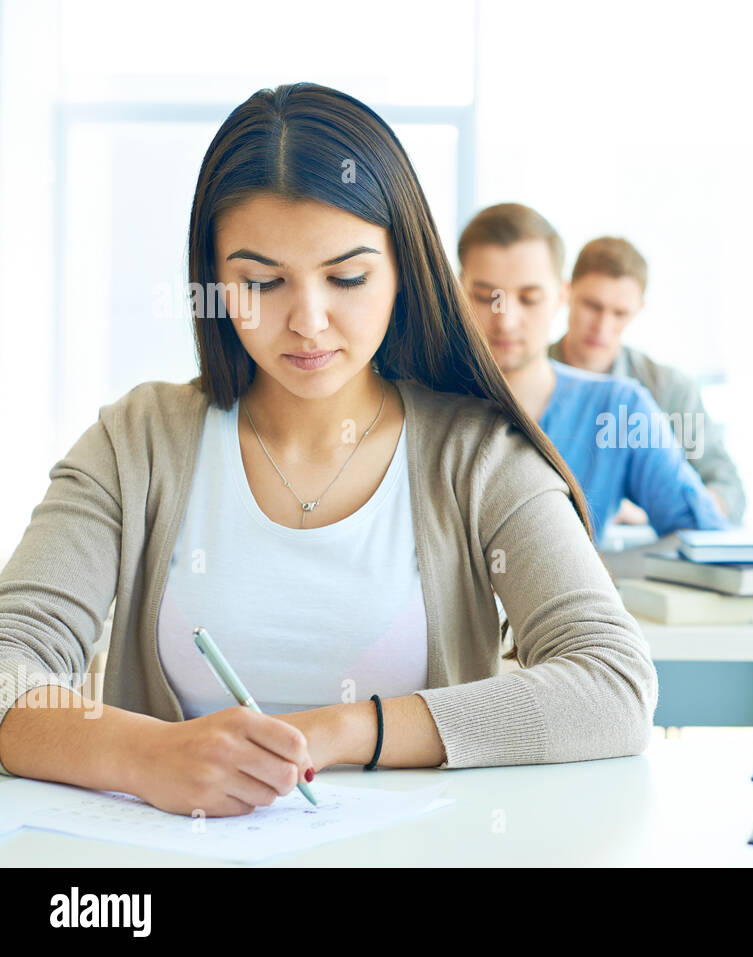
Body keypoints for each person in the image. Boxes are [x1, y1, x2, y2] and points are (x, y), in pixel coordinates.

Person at [0, 83, 656, 818]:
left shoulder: (478, 455)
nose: (308, 321)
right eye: (261, 281)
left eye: (347, 277)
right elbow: (5, 664)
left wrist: (341, 728)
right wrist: (148, 754)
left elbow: (614, 684)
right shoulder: (138, 441)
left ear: (405, 270)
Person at [456, 203, 729, 549]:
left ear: (560, 296)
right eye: (486, 297)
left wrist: (606, 579)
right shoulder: (417, 403)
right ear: (457, 291)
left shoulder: (622, 408)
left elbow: (705, 538)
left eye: (529, 298)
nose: (506, 319)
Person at [549, 237, 747, 524]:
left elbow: (729, 492)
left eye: (620, 313)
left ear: (639, 309)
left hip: (641, 555)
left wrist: (650, 512)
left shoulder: (669, 389)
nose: (603, 326)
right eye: (592, 306)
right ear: (566, 293)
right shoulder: (528, 377)